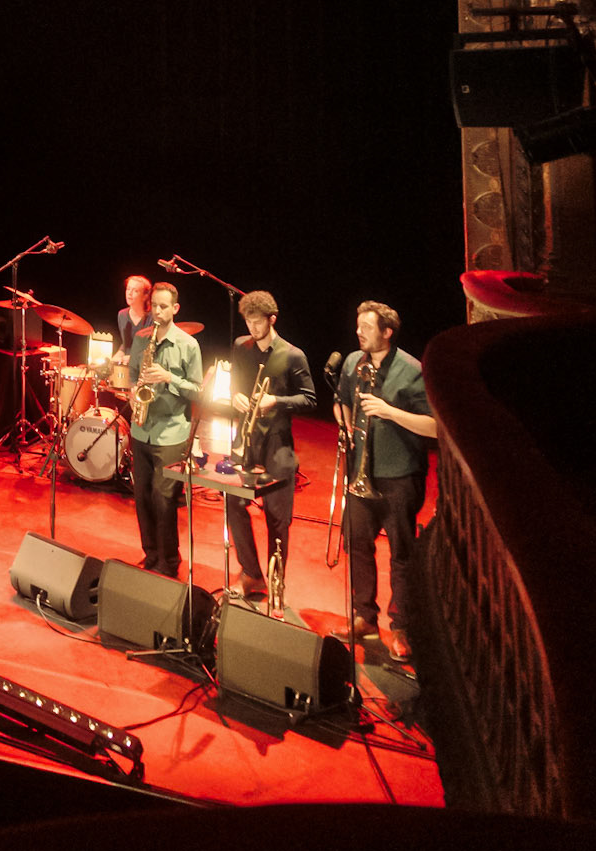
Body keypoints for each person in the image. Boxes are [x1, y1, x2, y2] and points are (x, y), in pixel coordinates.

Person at [334, 300, 436, 662]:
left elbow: (435, 426)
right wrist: (346, 423)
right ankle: (365, 616)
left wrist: (390, 412)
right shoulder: (353, 362)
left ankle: (402, 627)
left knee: (401, 554)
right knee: (357, 545)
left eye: (366, 327)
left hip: (399, 475)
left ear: (387, 332)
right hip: (361, 473)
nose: (358, 332)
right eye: (358, 325)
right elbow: (341, 401)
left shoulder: (412, 370)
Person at [224, 290, 316, 603]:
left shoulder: (293, 355)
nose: (252, 327)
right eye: (248, 321)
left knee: (278, 518)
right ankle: (251, 573)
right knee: (233, 503)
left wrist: (274, 400)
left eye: (257, 321)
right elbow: (235, 383)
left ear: (272, 319)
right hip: (247, 440)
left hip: (277, 442)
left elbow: (309, 399)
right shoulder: (241, 347)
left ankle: (277, 583)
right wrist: (235, 395)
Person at [126, 280, 205, 578]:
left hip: (171, 432)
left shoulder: (188, 345)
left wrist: (169, 378)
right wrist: (133, 392)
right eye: (154, 307)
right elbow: (132, 374)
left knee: (163, 499)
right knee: (142, 497)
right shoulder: (141, 340)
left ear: (175, 308)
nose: (157, 312)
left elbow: (198, 391)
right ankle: (151, 554)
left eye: (163, 307)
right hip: (141, 428)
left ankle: (169, 561)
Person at [116, 274, 152, 356]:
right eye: (128, 289)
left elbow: (151, 348)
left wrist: (132, 358)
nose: (129, 293)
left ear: (145, 296)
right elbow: (126, 344)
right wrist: (120, 353)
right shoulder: (122, 315)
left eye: (135, 291)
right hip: (127, 361)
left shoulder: (152, 318)